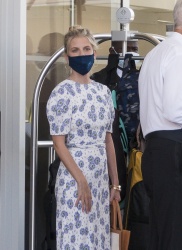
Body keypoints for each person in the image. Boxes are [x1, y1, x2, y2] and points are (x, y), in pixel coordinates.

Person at [46, 25, 121, 249]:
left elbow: (108, 140)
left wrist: (115, 183)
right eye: (75, 50)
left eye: (86, 49)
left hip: (99, 179)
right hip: (74, 180)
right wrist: (81, 180)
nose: (82, 54)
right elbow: (59, 144)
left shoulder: (103, 92)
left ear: (94, 53)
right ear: (67, 58)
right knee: (76, 240)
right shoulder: (61, 93)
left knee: (98, 240)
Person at [138, 0, 182, 249]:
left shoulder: (155, 53)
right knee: (175, 234)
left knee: (160, 232)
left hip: (156, 149)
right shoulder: (179, 53)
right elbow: (175, 109)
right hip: (172, 149)